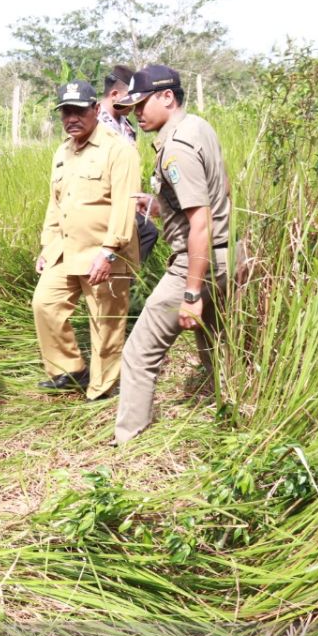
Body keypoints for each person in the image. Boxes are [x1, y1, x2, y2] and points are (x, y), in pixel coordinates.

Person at [112, 65, 232, 445]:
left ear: (168, 96)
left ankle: (129, 439)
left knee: (138, 353)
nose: (136, 113)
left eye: (142, 104)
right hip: (227, 256)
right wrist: (163, 203)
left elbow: (200, 222)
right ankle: (232, 421)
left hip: (195, 264)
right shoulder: (199, 127)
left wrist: (192, 293)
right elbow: (220, 190)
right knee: (217, 349)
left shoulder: (176, 147)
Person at [32, 81, 140, 400]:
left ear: (95, 109)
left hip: (106, 253)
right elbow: (56, 203)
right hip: (66, 251)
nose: (72, 118)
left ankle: (101, 389)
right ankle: (69, 370)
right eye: (66, 112)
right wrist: (47, 246)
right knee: (45, 304)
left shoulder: (118, 149)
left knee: (105, 324)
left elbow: (125, 205)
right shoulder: (63, 151)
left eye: (79, 111)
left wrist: (108, 251)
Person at [99, 64, 160, 261]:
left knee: (146, 232)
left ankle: (126, 280)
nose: (135, 106)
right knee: (147, 231)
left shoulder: (126, 125)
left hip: (126, 199)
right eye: (130, 98)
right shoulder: (94, 123)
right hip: (104, 200)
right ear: (115, 94)